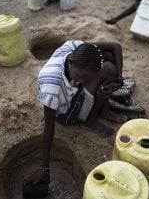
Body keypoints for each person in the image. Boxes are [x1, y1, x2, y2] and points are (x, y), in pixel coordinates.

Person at [24, 40, 127, 185]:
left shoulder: (75, 48)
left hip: (72, 92)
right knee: (109, 68)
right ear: (71, 61)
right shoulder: (51, 83)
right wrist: (44, 167)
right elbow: (49, 126)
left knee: (109, 60)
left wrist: (119, 81)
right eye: (80, 76)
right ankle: (89, 120)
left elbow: (116, 46)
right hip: (67, 114)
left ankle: (103, 108)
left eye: (87, 78)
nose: (83, 80)